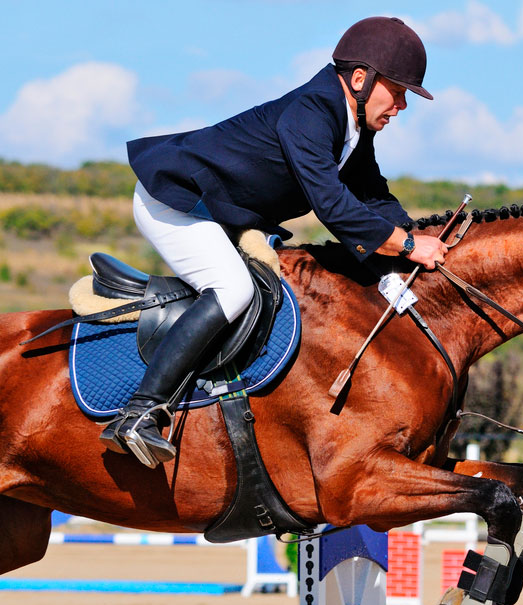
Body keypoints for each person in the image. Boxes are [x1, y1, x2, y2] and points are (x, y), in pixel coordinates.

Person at [100, 16, 448, 467]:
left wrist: (423, 240)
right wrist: (404, 247)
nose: (401, 105)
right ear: (360, 79)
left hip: (225, 212)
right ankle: (138, 412)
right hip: (175, 200)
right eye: (398, 91)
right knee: (233, 289)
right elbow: (333, 205)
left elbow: (372, 195)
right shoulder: (312, 112)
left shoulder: (353, 126)